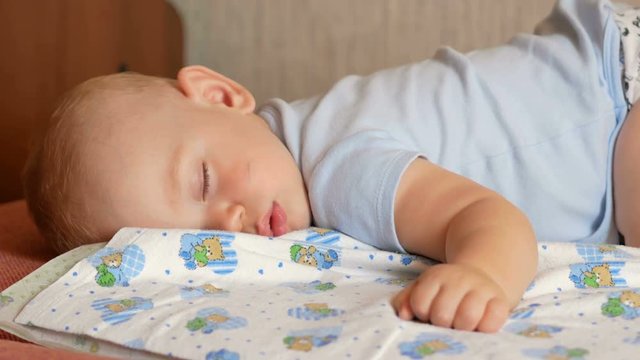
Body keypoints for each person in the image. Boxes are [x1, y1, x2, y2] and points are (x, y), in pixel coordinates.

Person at [22, 0, 640, 333]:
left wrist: (484, 273)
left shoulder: (341, 167)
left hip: (613, 99)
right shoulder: (301, 151)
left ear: (220, 95)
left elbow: (489, 217)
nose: (228, 223)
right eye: (194, 240)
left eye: (204, 182)